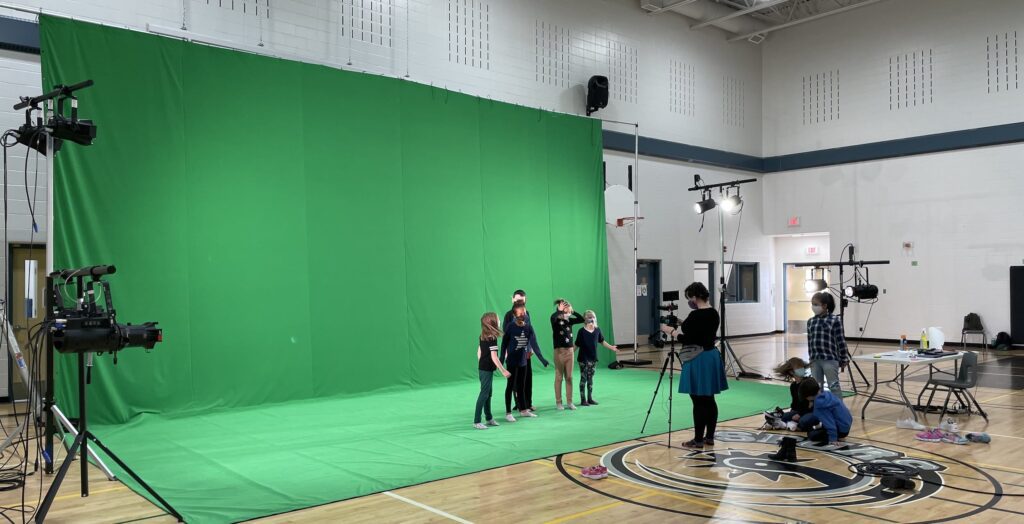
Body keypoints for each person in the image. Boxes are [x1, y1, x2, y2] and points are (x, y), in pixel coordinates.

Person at [666, 282, 728, 449]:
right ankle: (709, 437)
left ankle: (698, 439)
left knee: (698, 400)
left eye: (689, 298)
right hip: (711, 356)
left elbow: (689, 337)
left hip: (698, 358)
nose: (690, 301)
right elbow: (700, 331)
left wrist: (671, 332)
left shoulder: (695, 315)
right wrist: (682, 323)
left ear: (695, 297)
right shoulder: (714, 313)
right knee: (709, 399)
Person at [501, 301, 549, 421]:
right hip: (512, 361)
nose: (524, 315)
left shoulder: (528, 327)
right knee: (510, 386)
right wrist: (501, 360)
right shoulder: (510, 327)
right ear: (514, 314)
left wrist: (542, 359)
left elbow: (534, 344)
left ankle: (523, 410)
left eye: (525, 312)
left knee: (521, 386)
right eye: (521, 313)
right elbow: (504, 344)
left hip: (523, 361)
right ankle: (508, 413)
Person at [807, 292, 849, 398]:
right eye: (812, 304)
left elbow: (841, 341)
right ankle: (819, 406)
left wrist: (844, 358)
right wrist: (810, 358)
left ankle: (838, 407)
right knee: (816, 388)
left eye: (816, 304)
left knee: (833, 386)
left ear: (825, 306)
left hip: (830, 360)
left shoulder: (835, 320)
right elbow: (810, 341)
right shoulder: (811, 321)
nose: (813, 307)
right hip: (815, 360)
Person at [574, 310, 619, 406]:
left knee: (590, 379)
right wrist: (569, 353)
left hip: (593, 358)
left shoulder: (597, 330)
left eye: (593, 317)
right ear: (585, 319)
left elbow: (602, 341)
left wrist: (611, 347)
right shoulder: (581, 331)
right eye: (589, 317)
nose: (591, 319)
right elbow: (576, 344)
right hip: (583, 359)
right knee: (583, 379)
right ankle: (583, 400)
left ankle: (590, 398)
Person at [475, 312, 511, 430]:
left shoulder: (483, 336)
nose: (499, 321)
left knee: (488, 394)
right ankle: (477, 421)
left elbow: (478, 353)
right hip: (486, 370)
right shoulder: (492, 338)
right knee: (484, 394)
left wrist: (482, 364)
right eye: (498, 319)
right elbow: (494, 357)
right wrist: (503, 371)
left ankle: (489, 418)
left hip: (484, 369)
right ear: (492, 322)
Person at [503, 290, 536, 412]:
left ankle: (528, 403)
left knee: (527, 377)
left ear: (525, 300)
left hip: (525, 352)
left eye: (522, 300)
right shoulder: (508, 315)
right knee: (515, 379)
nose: (519, 302)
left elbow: (529, 332)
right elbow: (506, 335)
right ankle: (519, 404)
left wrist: (530, 347)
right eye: (517, 300)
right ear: (512, 300)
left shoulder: (527, 313)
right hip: (514, 352)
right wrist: (506, 352)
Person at [551, 299, 585, 410]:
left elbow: (582, 319)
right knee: (559, 377)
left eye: (569, 310)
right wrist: (559, 311)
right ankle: (559, 402)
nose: (568, 312)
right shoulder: (556, 321)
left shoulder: (570, 321)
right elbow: (553, 317)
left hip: (570, 351)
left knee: (569, 377)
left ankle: (570, 402)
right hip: (559, 352)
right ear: (560, 309)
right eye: (566, 310)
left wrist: (573, 311)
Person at [764, 358, 814, 431]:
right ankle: (786, 423)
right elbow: (795, 403)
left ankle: (789, 424)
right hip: (799, 411)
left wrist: (799, 414)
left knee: (803, 421)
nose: (801, 369)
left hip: (811, 411)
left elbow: (811, 404)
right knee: (784, 417)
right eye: (798, 368)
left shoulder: (809, 382)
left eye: (802, 367)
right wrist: (792, 413)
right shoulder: (793, 386)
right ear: (791, 372)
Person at [798, 378, 852, 446]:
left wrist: (833, 439)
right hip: (846, 425)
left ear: (809, 396)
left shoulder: (820, 405)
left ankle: (838, 435)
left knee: (811, 435)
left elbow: (829, 422)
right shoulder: (826, 394)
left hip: (841, 430)